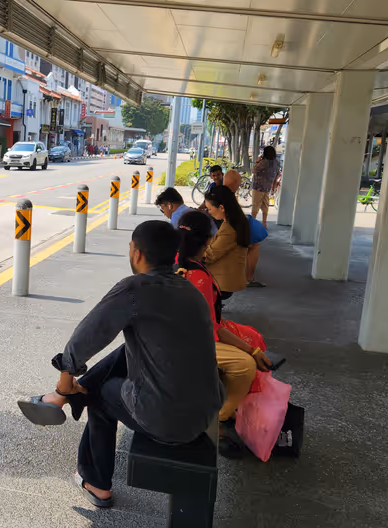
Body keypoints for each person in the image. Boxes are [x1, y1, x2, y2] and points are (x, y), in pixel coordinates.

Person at [17, 221, 224, 507]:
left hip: (168, 421)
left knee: (100, 397)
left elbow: (85, 339)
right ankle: (63, 399)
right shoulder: (189, 290)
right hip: (204, 411)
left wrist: (65, 379)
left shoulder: (134, 290)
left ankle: (95, 481)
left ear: (137, 254)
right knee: (130, 348)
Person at [176, 210, 272, 457]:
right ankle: (219, 416)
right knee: (246, 364)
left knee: (253, 336)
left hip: (185, 332)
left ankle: (229, 404)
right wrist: (250, 349)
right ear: (208, 240)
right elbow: (211, 328)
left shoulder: (176, 261)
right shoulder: (197, 275)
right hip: (195, 340)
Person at [224, 170, 270, 287]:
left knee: (254, 235)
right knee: (254, 244)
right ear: (234, 183)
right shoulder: (227, 195)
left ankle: (247, 276)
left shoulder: (223, 193)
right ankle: (249, 278)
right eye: (239, 184)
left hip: (228, 228)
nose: (239, 187)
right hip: (227, 230)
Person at [204, 185, 250, 298]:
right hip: (226, 277)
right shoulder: (234, 222)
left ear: (221, 207)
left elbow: (209, 256)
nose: (209, 212)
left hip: (222, 282)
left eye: (210, 209)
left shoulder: (230, 229)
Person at [252, 146, 280, 227]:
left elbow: (254, 170)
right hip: (267, 187)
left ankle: (252, 224)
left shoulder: (264, 162)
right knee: (265, 205)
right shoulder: (276, 162)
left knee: (255, 205)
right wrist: (274, 186)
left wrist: (257, 161)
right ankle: (264, 223)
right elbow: (277, 175)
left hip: (258, 186)